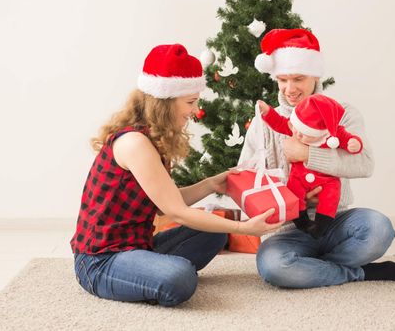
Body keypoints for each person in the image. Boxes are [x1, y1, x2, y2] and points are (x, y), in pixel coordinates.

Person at [70, 43, 282, 307]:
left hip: (138, 247)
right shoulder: (135, 143)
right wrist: (244, 228)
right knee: (180, 278)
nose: (194, 111)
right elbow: (176, 211)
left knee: (214, 234)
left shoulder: (150, 138)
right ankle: (150, 275)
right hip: (100, 261)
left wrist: (210, 184)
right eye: (190, 102)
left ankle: (146, 272)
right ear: (165, 102)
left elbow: (163, 204)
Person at [239, 28, 395, 288]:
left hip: (335, 220)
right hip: (288, 230)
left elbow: (365, 163)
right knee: (274, 266)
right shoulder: (264, 123)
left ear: (315, 76)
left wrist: (307, 154)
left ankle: (313, 269)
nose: (289, 89)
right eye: (283, 80)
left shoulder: (343, 114)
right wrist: (292, 197)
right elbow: (244, 176)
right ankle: (358, 272)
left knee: (379, 229)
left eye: (298, 78)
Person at [258, 94, 363, 239]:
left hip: (326, 179)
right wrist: (267, 112)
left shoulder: (333, 134)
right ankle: (301, 220)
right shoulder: (297, 126)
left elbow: (349, 140)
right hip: (299, 175)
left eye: (304, 133)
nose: (297, 135)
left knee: (331, 195)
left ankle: (322, 225)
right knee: (293, 190)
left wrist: (355, 143)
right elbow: (280, 123)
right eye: (296, 130)